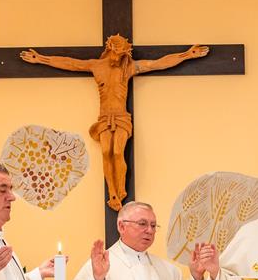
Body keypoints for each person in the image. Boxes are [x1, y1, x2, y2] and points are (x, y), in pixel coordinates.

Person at [20, 36, 209, 211]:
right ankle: (112, 191)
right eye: (117, 53)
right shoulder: (96, 66)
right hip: (104, 117)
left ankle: (120, 190)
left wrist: (187, 55)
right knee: (105, 152)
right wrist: (41, 59)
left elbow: (157, 64)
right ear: (110, 49)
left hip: (121, 117)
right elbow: (71, 63)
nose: (118, 58)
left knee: (117, 152)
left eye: (122, 54)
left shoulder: (128, 67)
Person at [66, 201, 205, 280]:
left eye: (153, 225)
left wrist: (197, 277)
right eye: (142, 224)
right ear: (121, 226)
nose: (149, 230)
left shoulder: (169, 271)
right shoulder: (100, 266)